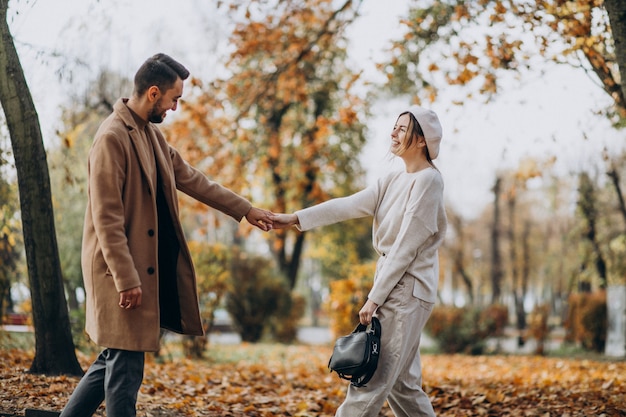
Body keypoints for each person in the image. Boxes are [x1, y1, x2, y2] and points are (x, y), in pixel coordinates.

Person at [60, 53, 274, 417]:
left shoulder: (151, 136)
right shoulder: (112, 137)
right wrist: (126, 280)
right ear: (154, 93)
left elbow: (193, 179)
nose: (175, 107)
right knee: (125, 374)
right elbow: (106, 218)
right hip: (117, 272)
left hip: (138, 270)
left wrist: (247, 210)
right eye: (175, 99)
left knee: (114, 359)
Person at [271, 106, 447, 417]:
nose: (393, 133)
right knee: (403, 386)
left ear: (422, 140)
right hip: (396, 284)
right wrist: (296, 218)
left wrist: (374, 298)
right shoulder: (392, 179)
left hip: (407, 289)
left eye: (403, 129)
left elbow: (406, 247)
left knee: (370, 382)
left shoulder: (428, 181)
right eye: (394, 126)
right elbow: (348, 206)